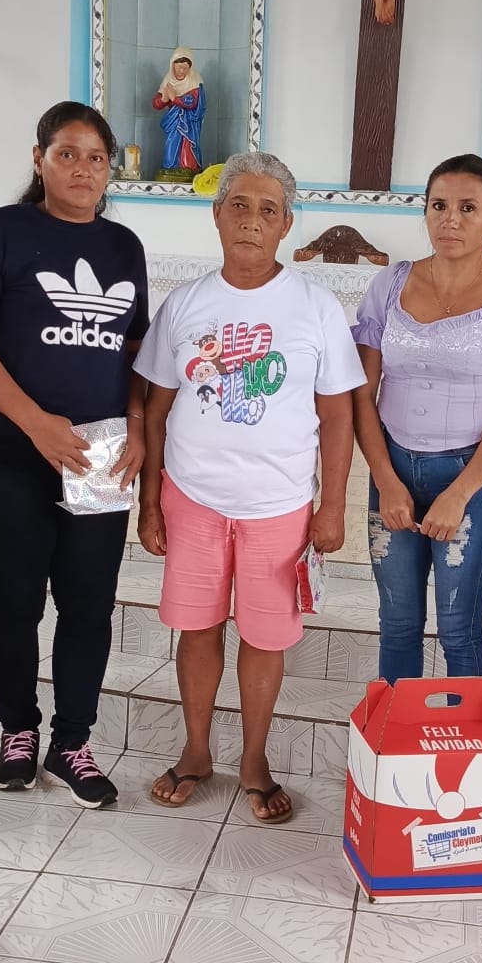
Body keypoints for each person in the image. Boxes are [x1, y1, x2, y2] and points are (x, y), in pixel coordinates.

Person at [136, 152, 364, 823]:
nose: (252, 221)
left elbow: (338, 416)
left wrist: (331, 507)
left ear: (287, 224)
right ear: (216, 214)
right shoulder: (185, 304)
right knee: (198, 628)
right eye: (239, 205)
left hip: (278, 506)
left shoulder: (315, 307)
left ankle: (255, 760)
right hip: (193, 498)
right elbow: (154, 409)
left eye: (268, 210)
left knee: (265, 636)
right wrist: (149, 503)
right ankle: (196, 751)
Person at [0, 102, 148, 809]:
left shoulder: (124, 246)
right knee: (12, 601)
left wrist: (138, 430)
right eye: (67, 154)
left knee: (89, 604)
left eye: (96, 158)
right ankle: (18, 730)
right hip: (9, 453)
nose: (82, 169)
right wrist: (36, 425)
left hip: (98, 459)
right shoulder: (2, 231)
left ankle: (72, 743)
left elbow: (135, 351)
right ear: (39, 160)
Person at [353, 153, 482, 681]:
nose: (451, 220)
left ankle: (468, 731)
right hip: (394, 468)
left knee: (458, 625)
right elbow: (361, 394)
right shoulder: (390, 285)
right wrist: (385, 481)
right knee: (397, 621)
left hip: (472, 475)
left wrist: (459, 494)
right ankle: (397, 728)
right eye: (439, 206)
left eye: (468, 208)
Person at [152, 49, 206, 175]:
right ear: (173, 66)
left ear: (189, 68)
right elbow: (156, 103)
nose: (181, 71)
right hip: (174, 121)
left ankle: (188, 168)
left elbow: (193, 101)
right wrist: (163, 99)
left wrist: (174, 98)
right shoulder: (168, 80)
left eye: (185, 68)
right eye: (179, 67)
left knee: (187, 147)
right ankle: (170, 167)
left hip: (189, 123)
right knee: (171, 145)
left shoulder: (195, 81)